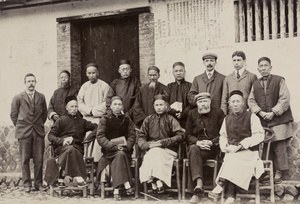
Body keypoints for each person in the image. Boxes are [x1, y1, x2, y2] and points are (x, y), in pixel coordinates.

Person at [209, 90, 264, 204]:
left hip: (249, 152)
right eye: (233, 102)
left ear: (243, 103)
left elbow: (259, 135)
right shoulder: (227, 119)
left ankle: (221, 183)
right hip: (233, 153)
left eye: (238, 101)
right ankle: (231, 197)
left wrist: (241, 145)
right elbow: (223, 136)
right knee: (232, 157)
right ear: (229, 103)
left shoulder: (252, 117)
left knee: (232, 159)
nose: (235, 104)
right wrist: (225, 147)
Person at [248, 57, 294, 184]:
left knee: (279, 145)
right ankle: (266, 173)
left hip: (279, 119)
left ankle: (280, 172)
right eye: (261, 66)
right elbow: (251, 101)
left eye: (266, 66)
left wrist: (273, 112)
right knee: (265, 147)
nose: (263, 68)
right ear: (258, 69)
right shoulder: (255, 83)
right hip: (263, 120)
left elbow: (285, 98)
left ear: (270, 67)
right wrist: (260, 112)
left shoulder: (279, 80)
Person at [44, 96, 98, 187]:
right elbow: (50, 136)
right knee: (70, 149)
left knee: (72, 149)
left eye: (76, 106)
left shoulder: (82, 122)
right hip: (62, 149)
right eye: (71, 106)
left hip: (78, 149)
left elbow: (98, 127)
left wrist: (88, 138)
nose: (74, 109)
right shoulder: (61, 120)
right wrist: (62, 141)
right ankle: (79, 177)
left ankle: (60, 165)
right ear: (67, 108)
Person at [138, 94, 185, 193]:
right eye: (156, 105)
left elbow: (181, 135)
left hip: (168, 151)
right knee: (154, 151)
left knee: (156, 152)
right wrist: (146, 145)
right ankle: (158, 181)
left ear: (166, 106)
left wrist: (165, 142)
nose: (159, 107)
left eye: (161, 105)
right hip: (151, 150)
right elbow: (141, 136)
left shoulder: (171, 119)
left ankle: (153, 180)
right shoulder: (148, 119)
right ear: (153, 106)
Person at [10, 73, 47, 193]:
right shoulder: (18, 97)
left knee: (39, 159)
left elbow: (44, 114)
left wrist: (38, 125)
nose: (31, 83)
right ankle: (27, 184)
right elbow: (13, 115)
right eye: (29, 81)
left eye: (33, 81)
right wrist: (22, 126)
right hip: (24, 133)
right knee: (24, 159)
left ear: (35, 82)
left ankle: (38, 183)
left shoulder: (41, 97)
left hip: (38, 132)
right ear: (24, 83)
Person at [186, 92, 225, 203]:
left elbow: (224, 133)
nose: (203, 104)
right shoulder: (191, 114)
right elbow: (188, 134)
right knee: (193, 149)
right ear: (196, 103)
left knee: (192, 154)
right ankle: (198, 185)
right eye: (200, 102)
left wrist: (211, 142)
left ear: (210, 102)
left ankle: (196, 192)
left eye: (205, 101)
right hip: (197, 147)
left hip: (213, 149)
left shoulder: (218, 112)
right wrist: (198, 142)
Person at [96, 96, 136, 200]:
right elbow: (100, 137)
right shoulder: (104, 119)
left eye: (119, 104)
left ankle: (117, 189)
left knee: (121, 154)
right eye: (115, 104)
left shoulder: (127, 119)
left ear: (122, 106)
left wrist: (127, 146)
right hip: (110, 151)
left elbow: (132, 135)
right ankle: (126, 185)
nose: (117, 107)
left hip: (125, 150)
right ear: (111, 106)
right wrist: (114, 146)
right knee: (119, 154)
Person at [77, 63, 114, 161]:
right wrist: (88, 111)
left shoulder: (104, 86)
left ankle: (97, 165)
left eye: (93, 72)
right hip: (87, 119)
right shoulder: (84, 86)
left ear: (97, 73)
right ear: (86, 74)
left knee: (98, 144)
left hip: (99, 119)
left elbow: (107, 103)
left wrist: (94, 111)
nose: (91, 75)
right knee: (87, 142)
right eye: (89, 73)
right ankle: (87, 166)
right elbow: (79, 103)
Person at [221, 51, 257, 115]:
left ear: (244, 61)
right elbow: (224, 98)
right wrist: (224, 114)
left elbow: (255, 97)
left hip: (247, 112)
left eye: (238, 60)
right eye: (234, 60)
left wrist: (252, 112)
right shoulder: (228, 78)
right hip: (232, 113)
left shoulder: (252, 76)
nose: (236, 63)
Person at [164, 62, 192, 128]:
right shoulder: (169, 86)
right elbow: (165, 101)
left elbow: (192, 103)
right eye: (176, 71)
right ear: (173, 73)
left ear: (184, 72)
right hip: (171, 117)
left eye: (181, 71)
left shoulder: (190, 86)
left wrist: (184, 113)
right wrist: (173, 111)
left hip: (186, 118)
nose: (178, 73)